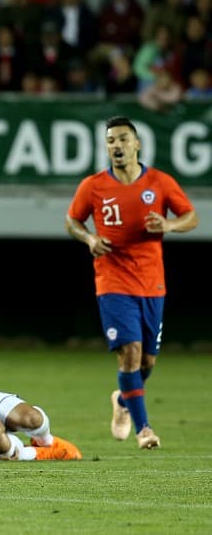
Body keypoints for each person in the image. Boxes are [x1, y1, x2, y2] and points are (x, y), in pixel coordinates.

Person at [65, 116, 199, 449]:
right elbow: (72, 220)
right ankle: (145, 430)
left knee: (147, 363)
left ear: (137, 144)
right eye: (111, 140)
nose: (117, 146)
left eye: (123, 139)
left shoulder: (160, 182)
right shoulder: (93, 186)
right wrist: (88, 239)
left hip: (152, 284)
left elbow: (191, 217)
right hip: (112, 282)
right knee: (130, 354)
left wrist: (169, 226)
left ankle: (124, 400)